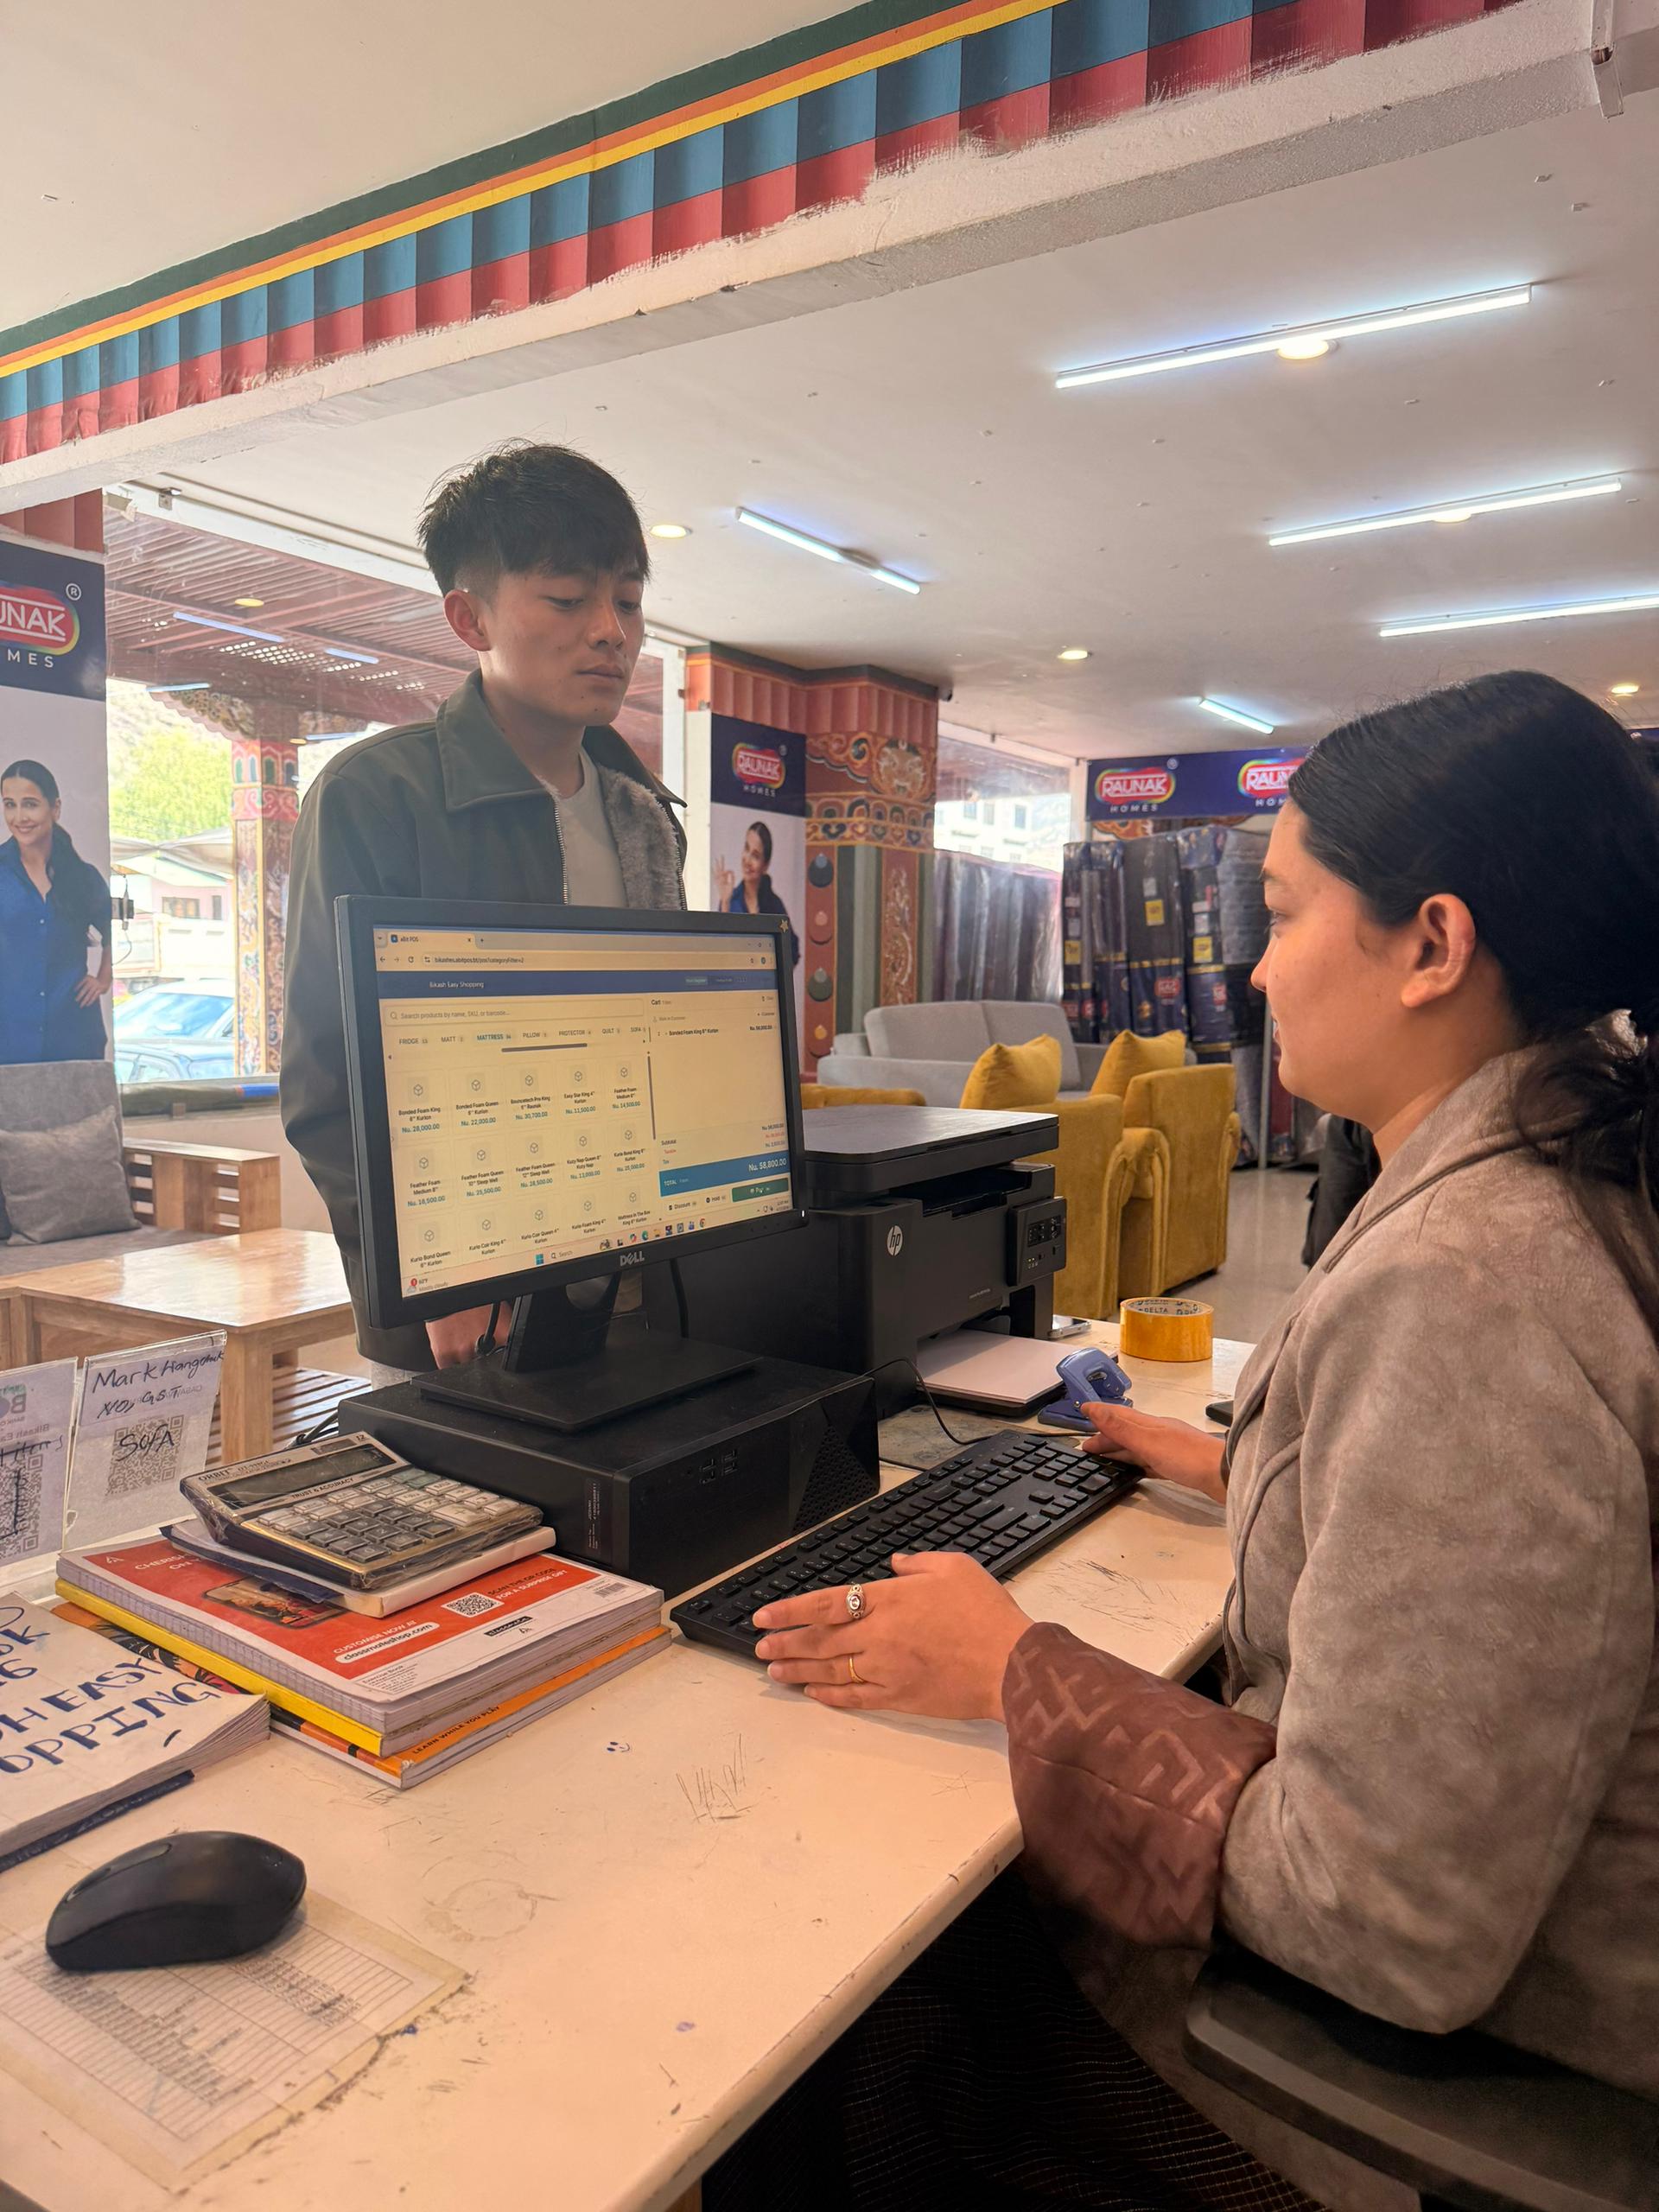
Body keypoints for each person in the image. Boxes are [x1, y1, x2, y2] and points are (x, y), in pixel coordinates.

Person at [730, 671, 1659, 2209]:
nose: (1253, 972)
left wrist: (1013, 1669)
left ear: (1432, 944)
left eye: (1285, 916)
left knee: (848, 2016)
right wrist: (1258, 1463)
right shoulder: (1570, 1166)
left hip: (1459, 2086)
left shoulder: (1475, 1284)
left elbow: (1385, 1915)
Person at [281, 443, 686, 1380]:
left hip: (631, 1288)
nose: (611, 632)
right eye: (567, 598)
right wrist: (433, 1269)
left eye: (626, 600)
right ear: (470, 617)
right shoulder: (376, 795)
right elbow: (322, 1078)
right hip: (455, 1322)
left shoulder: (642, 814)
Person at [0, 758, 113, 1065]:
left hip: (73, 1033)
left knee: (79, 1115)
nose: (19, 816)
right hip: (9, 1038)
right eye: (10, 804)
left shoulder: (83, 876)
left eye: (31, 804)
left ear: (56, 808)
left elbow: (111, 929)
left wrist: (103, 978)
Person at [716, 819, 799, 966]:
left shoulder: (774, 905)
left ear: (765, 865)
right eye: (746, 849)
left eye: (755, 856)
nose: (747, 860)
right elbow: (720, 949)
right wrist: (725, 902)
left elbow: (792, 952)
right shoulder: (731, 900)